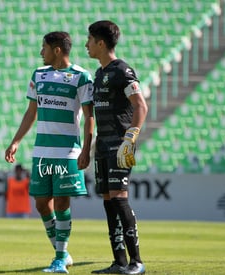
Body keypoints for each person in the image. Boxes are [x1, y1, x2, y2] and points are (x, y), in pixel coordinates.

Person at [5, 31, 94, 274]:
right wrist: (16, 141)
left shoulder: (81, 77)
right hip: (42, 152)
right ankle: (62, 251)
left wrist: (86, 149)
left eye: (43, 47)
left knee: (62, 202)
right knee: (42, 204)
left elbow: (89, 117)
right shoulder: (39, 74)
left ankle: (58, 257)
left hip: (67, 152)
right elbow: (30, 112)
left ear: (56, 50)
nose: (40, 52)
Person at [85, 20, 148, 275]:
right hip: (102, 146)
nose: (86, 44)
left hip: (120, 146)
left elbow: (141, 106)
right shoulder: (99, 74)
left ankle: (137, 262)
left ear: (101, 43)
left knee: (120, 200)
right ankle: (119, 261)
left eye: (89, 40)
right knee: (109, 201)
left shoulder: (123, 71)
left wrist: (130, 138)